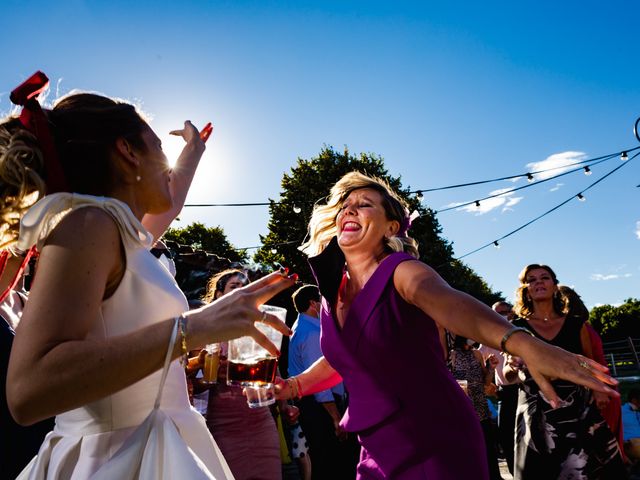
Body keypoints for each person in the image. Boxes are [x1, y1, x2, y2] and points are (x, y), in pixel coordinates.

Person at [3, 72, 296, 478]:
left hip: (154, 444)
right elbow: (27, 390)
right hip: (110, 458)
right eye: (160, 147)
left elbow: (170, 200)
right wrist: (193, 327)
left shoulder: (123, 236)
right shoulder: (88, 224)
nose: (170, 168)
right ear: (127, 151)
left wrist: (193, 152)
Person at [275, 171, 619, 479]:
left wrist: (524, 343)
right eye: (345, 205)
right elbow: (345, 360)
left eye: (364, 204)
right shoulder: (331, 293)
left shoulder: (402, 271)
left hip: (433, 436)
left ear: (391, 227)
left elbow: (450, 303)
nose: (349, 210)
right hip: (375, 447)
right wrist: (291, 387)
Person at [504, 264, 626, 479]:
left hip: (577, 408)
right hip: (536, 412)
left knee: (586, 469)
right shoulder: (516, 327)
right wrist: (513, 365)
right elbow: (506, 375)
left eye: (544, 277)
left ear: (554, 285)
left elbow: (588, 362)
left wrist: (598, 391)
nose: (538, 282)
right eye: (531, 279)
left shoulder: (576, 324)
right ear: (525, 289)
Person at [200, 268, 284, 480]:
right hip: (224, 423)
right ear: (219, 294)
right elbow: (195, 383)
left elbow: (274, 371)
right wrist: (203, 366)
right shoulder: (204, 329)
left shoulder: (259, 327)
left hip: (260, 420)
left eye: (243, 287)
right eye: (233, 286)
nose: (240, 291)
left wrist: (285, 403)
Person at [289, 284, 359, 479]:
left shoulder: (301, 326)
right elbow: (321, 384)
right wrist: (336, 418)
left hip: (314, 404)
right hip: (320, 407)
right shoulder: (311, 333)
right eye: (322, 301)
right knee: (330, 462)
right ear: (313, 303)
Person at [450, 335, 502, 480]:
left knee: (487, 447)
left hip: (480, 406)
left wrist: (490, 368)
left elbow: (486, 382)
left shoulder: (477, 353)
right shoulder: (453, 355)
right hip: (463, 408)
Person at [480, 301, 518, 475]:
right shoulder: (488, 338)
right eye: (496, 312)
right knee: (506, 437)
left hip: (528, 391)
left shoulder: (522, 333)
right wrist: (488, 376)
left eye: (504, 312)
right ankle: (514, 473)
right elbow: (479, 362)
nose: (500, 315)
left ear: (512, 313)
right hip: (506, 393)